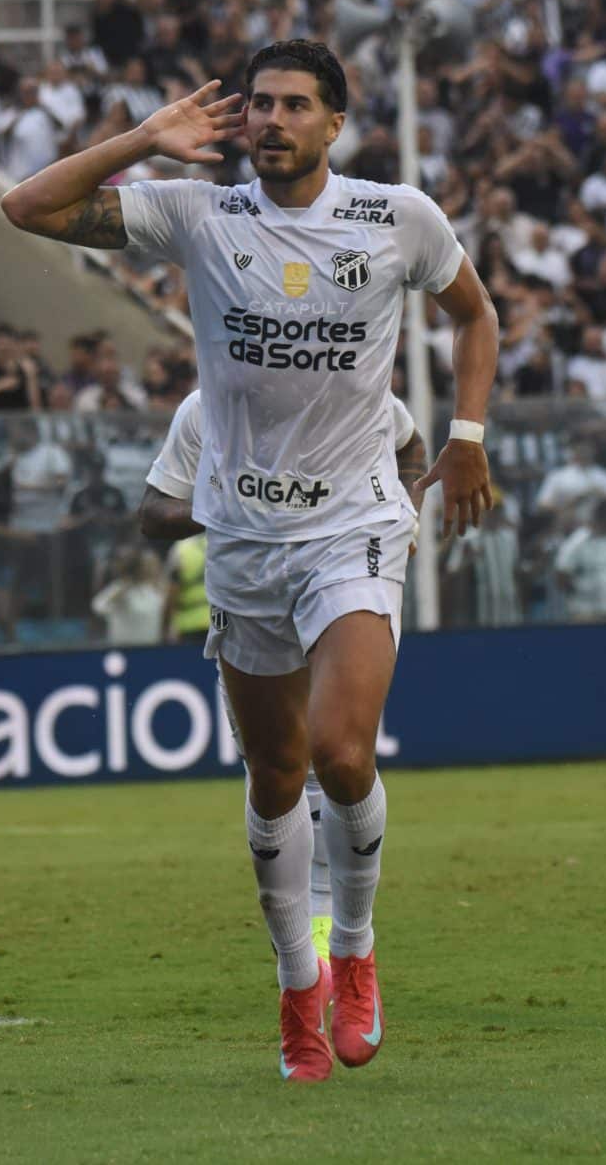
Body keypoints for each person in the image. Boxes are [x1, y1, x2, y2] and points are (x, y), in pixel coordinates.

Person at [2, 42, 498, 1081]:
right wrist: (142, 136)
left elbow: (473, 313)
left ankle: (352, 951)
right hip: (241, 539)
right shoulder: (200, 213)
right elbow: (25, 208)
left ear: (333, 123)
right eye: (259, 105)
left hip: (352, 524)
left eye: (294, 106)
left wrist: (467, 434)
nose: (272, 120)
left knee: (340, 751)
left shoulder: (396, 216)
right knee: (273, 773)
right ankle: (295, 987)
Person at [140, 386, 428, 967]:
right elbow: (151, 511)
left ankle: (337, 949)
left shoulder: (345, 380)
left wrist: (404, 516)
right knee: (278, 780)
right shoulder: (205, 409)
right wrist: (219, 504)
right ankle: (299, 965)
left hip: (334, 588)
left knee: (335, 762)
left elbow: (411, 445)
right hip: (247, 604)